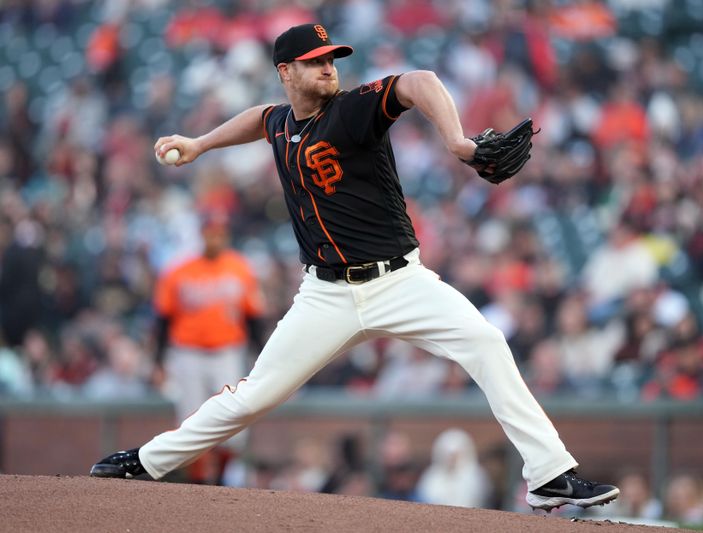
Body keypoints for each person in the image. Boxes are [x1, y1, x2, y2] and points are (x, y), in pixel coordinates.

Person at [89, 23, 619, 511]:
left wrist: (457, 141)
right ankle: (149, 461)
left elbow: (419, 80)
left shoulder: (351, 110)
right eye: (315, 60)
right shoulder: (280, 122)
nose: (329, 67)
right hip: (324, 297)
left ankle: (549, 475)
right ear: (286, 72)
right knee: (252, 398)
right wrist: (201, 144)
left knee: (486, 342)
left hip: (400, 281)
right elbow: (260, 119)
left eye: (332, 58)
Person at [152, 211, 266, 484]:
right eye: (210, 233)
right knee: (191, 419)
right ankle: (198, 483)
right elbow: (163, 320)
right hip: (188, 353)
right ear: (201, 235)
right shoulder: (178, 270)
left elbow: (253, 318)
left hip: (227, 352)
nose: (215, 238)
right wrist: (158, 361)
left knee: (234, 416)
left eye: (220, 233)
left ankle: (222, 479)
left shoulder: (240, 268)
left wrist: (260, 357)